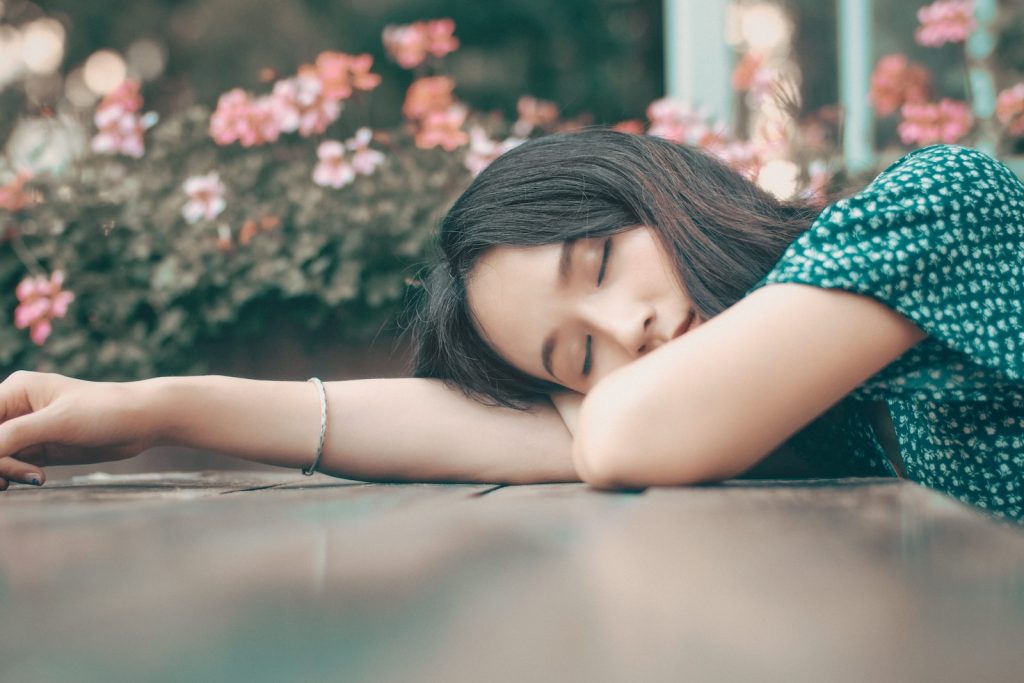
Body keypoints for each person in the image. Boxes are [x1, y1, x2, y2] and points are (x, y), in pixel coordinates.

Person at [0, 130, 1021, 523]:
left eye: (603, 262)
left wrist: (596, 402)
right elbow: (483, 428)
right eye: (579, 355)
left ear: (658, 186)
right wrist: (158, 406)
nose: (635, 330)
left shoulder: (936, 203)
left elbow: (616, 434)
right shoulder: (801, 409)